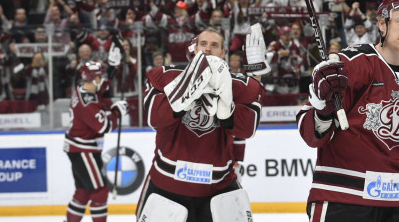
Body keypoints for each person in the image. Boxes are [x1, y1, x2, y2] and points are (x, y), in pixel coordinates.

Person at [297, 0, 399, 221]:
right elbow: (311, 136)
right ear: (382, 24)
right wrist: (321, 108)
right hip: (343, 195)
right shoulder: (351, 65)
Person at [136, 27, 268, 221]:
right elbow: (154, 118)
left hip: (217, 188)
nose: (208, 49)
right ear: (194, 49)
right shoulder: (168, 78)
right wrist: (181, 97)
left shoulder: (237, 86)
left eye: (214, 45)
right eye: (203, 44)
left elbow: (247, 128)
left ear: (223, 53)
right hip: (167, 186)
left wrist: (254, 79)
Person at [64, 61, 127, 222]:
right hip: (84, 151)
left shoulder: (82, 89)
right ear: (94, 79)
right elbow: (104, 127)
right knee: (100, 190)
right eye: (100, 77)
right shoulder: (89, 103)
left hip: (79, 149)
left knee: (83, 191)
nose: (102, 80)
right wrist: (116, 112)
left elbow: (101, 88)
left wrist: (113, 68)